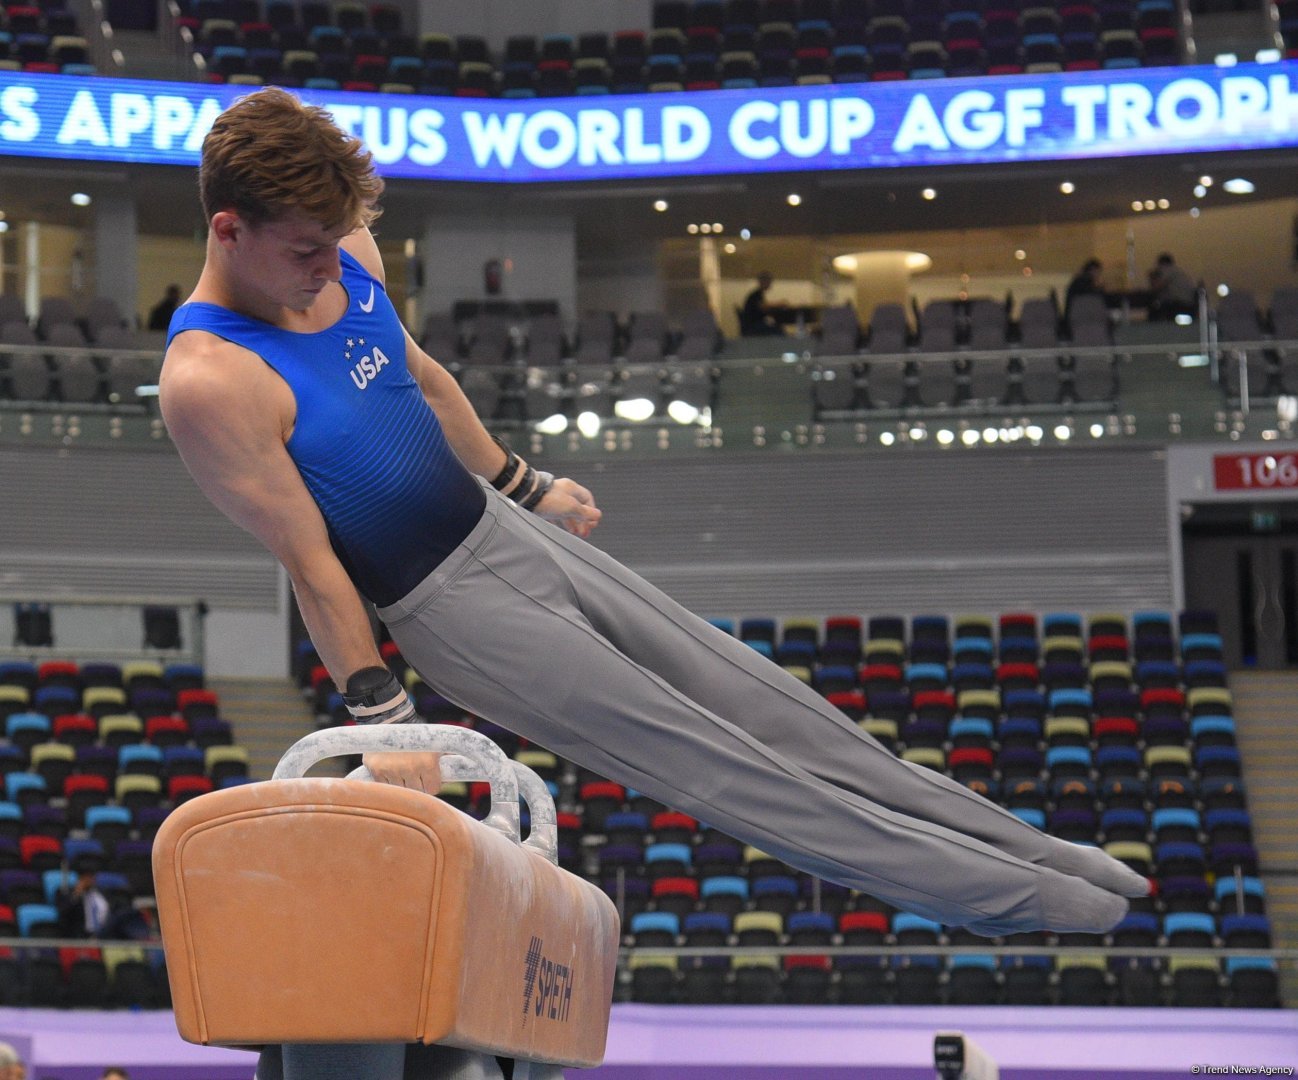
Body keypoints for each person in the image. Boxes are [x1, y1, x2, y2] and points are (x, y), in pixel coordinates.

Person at [160, 89, 1145, 1080]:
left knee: (770, 706)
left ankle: (1043, 854)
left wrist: (520, 482)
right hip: (449, 610)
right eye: (304, 252)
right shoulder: (210, 379)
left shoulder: (348, 258)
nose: (331, 269)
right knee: (716, 764)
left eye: (338, 244)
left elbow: (424, 380)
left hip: (505, 531)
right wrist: (382, 715)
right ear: (227, 229)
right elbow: (313, 564)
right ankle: (1016, 900)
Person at [54, 870, 110, 938]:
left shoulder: (100, 894)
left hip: (101, 935)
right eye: (85, 878)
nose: (88, 881)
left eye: (91, 877)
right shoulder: (66, 893)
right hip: (77, 936)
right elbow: (63, 912)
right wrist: (76, 894)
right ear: (79, 878)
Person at [1147, 252, 1198, 321]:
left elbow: (1157, 287)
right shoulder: (1179, 271)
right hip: (1188, 304)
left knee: (1154, 311)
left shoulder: (1167, 270)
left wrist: (1152, 278)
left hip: (1179, 305)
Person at [738, 270, 784, 335]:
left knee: (776, 327)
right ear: (763, 281)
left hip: (754, 325)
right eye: (769, 281)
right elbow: (763, 307)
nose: (770, 284)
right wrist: (779, 304)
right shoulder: (756, 294)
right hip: (753, 326)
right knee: (777, 329)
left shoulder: (757, 294)